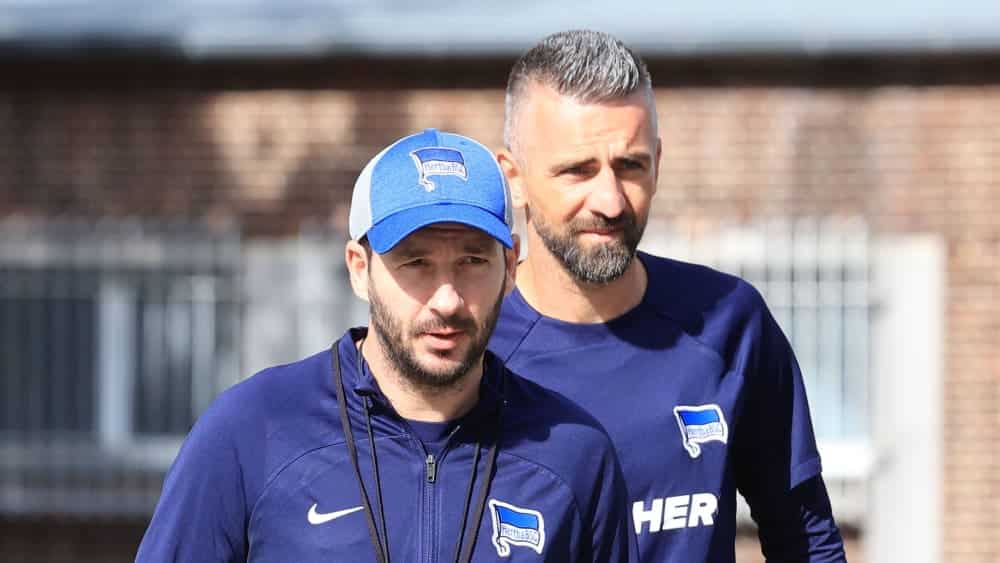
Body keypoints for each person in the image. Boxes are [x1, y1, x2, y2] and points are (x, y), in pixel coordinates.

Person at [135, 128, 636, 562]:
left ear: (509, 267)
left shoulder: (574, 452)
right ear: (360, 268)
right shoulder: (252, 430)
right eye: (416, 263)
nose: (447, 299)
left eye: (472, 261)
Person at [490, 30, 848, 562]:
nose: (610, 201)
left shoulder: (729, 323)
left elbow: (806, 539)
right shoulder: (468, 349)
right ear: (514, 178)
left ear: (657, 163)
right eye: (578, 171)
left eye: (630, 166)